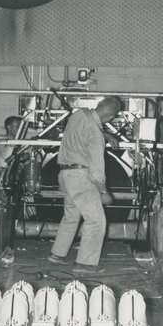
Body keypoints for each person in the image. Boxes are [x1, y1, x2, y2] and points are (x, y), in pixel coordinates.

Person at [48, 96, 123, 274]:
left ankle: (57, 254)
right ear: (111, 116)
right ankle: (85, 264)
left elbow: (87, 125)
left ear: (98, 105)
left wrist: (106, 134)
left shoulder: (78, 115)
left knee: (71, 216)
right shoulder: (96, 135)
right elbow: (97, 171)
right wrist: (103, 192)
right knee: (96, 221)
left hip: (65, 174)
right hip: (81, 177)